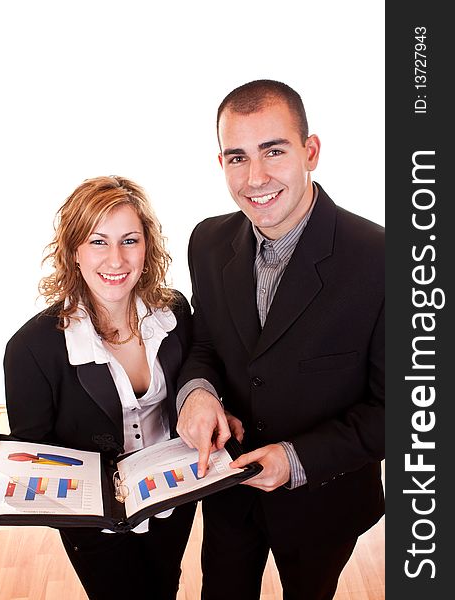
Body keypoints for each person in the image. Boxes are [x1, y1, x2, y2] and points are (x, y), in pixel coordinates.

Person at [176, 80, 384, 600]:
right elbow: (206, 343)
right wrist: (197, 391)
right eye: (237, 157)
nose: (256, 177)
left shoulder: (383, 261)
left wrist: (295, 458)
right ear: (220, 162)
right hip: (227, 491)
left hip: (323, 499)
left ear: (310, 152)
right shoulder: (206, 239)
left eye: (274, 151)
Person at [4, 176, 196, 600]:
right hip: (94, 523)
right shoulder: (31, 349)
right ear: (74, 251)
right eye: (97, 241)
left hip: (174, 500)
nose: (116, 259)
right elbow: (34, 459)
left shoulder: (175, 311)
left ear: (147, 247)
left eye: (130, 240)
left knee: (165, 586)